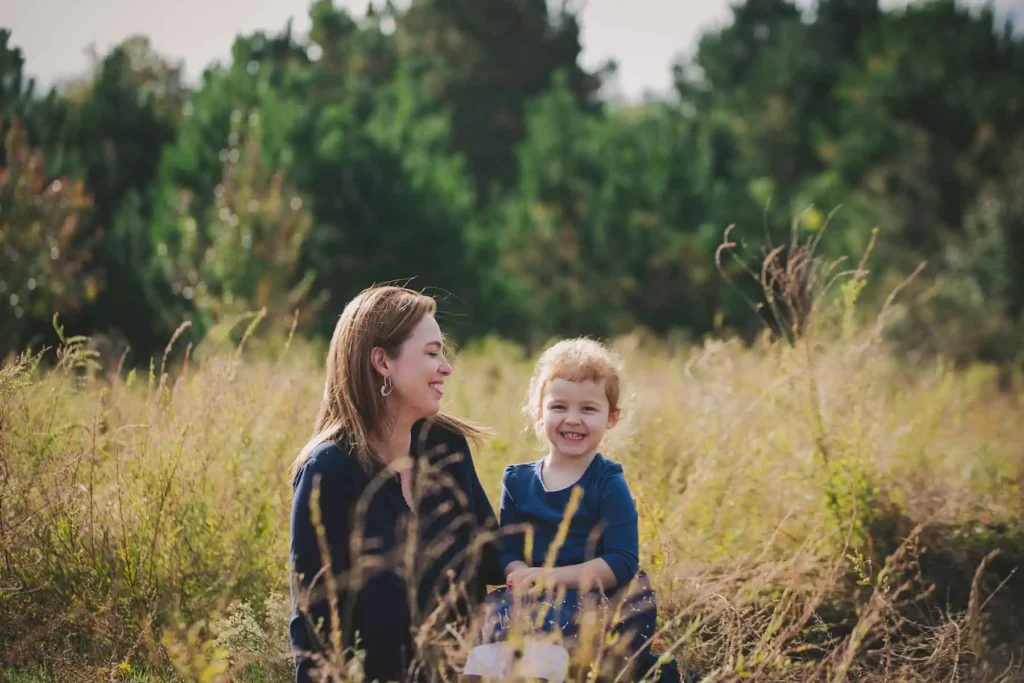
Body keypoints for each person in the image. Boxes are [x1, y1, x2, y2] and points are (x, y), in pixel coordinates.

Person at [288, 285, 504, 683]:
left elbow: (495, 558)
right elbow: (314, 631)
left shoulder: (445, 447)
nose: (446, 367)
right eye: (432, 353)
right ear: (382, 361)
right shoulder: (329, 471)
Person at [489, 338, 682, 683]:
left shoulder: (607, 482)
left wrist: (548, 578)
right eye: (559, 406)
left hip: (599, 595)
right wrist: (519, 572)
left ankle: (648, 672)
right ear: (539, 410)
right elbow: (508, 550)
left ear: (611, 418)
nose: (572, 419)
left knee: (570, 635)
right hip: (538, 595)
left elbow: (622, 561)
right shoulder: (517, 481)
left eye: (588, 409)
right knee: (488, 619)